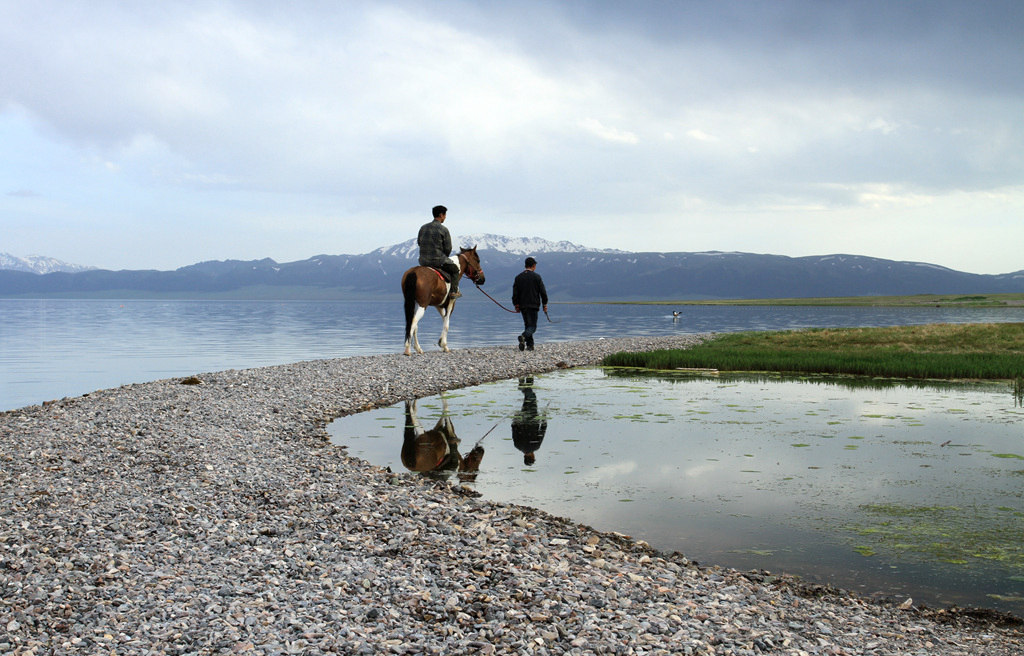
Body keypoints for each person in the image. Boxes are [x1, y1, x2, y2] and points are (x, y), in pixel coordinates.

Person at [417, 205, 461, 299]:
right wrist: (444, 257)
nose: (445, 217)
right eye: (445, 215)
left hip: (423, 261)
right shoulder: (443, 229)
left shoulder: (423, 228)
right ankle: (453, 292)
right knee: (455, 270)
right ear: (441, 215)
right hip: (438, 260)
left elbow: (419, 242)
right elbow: (448, 248)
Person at [512, 256, 548, 351]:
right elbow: (543, 292)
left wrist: (516, 304)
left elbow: (515, 293)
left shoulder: (518, 277)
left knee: (528, 325)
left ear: (525, 265)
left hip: (523, 305)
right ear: (533, 266)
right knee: (532, 327)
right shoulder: (537, 277)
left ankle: (530, 345)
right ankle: (523, 336)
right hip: (533, 305)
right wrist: (545, 304)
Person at [512, 377, 547, 466]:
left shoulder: (536, 446)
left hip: (533, 420)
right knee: (527, 401)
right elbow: (514, 431)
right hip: (522, 420)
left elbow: (542, 432)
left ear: (532, 457)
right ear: (524, 457)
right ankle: (528, 382)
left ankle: (525, 385)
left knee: (532, 397)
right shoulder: (518, 446)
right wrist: (515, 419)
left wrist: (544, 419)